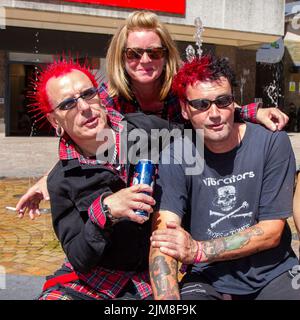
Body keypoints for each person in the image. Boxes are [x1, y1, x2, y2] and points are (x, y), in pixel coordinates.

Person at [16, 11, 289, 219]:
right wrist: (49, 179)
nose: (144, 60)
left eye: (154, 52)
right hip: (135, 193)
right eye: (133, 53)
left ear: (166, 55)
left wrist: (254, 112)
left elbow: (215, 107)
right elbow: (80, 141)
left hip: (184, 185)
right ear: (120, 58)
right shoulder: (107, 99)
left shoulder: (181, 91)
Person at [150, 55, 300, 300]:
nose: (215, 113)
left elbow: (272, 231)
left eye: (223, 101)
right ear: (185, 109)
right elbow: (164, 239)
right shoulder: (177, 155)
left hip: (274, 272)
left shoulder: (272, 142)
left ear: (234, 101)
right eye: (201, 105)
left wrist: (198, 250)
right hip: (208, 278)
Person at [29, 58, 174, 300]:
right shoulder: (62, 180)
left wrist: (247, 112)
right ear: (55, 121)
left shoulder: (144, 130)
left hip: (154, 275)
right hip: (96, 283)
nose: (84, 107)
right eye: (68, 104)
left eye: (88, 94)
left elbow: (202, 130)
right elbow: (79, 257)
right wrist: (104, 213)